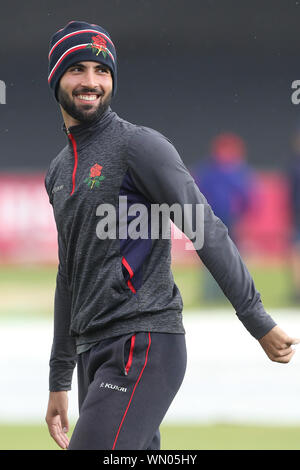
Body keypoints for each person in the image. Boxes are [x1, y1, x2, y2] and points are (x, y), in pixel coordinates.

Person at [44, 21, 299, 451]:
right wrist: (59, 378)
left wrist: (256, 319)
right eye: (78, 70)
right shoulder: (56, 172)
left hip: (143, 344)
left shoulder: (139, 147)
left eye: (102, 71)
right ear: (56, 77)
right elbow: (68, 275)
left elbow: (206, 228)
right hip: (94, 353)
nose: (91, 82)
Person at [192, 133, 254, 301]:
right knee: (211, 254)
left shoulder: (237, 170)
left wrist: (242, 212)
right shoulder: (210, 170)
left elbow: (247, 195)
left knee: (231, 255)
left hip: (230, 218)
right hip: (211, 218)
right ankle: (212, 292)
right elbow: (197, 193)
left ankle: (231, 291)